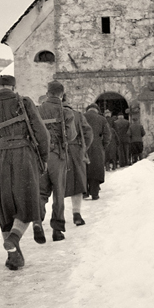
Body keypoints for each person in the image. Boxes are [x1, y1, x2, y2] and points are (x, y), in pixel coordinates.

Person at [0, 74, 49, 271]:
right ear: (13, 88)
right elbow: (41, 133)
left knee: (6, 206)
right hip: (24, 154)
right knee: (27, 201)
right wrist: (43, 157)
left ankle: (14, 257)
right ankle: (14, 236)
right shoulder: (24, 102)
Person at [33, 81, 77, 242]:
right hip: (58, 155)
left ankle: (37, 221)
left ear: (48, 92)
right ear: (61, 94)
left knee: (42, 192)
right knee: (59, 193)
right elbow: (71, 136)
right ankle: (57, 230)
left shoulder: (37, 110)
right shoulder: (66, 112)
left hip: (40, 156)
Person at [63, 95, 93, 226]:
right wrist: (83, 147)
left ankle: (42, 219)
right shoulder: (77, 115)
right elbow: (88, 134)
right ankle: (76, 213)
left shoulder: (45, 112)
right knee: (76, 183)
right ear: (67, 100)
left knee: (51, 185)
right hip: (75, 150)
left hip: (53, 151)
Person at [84, 103, 111, 200]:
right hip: (97, 147)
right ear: (97, 110)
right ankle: (94, 193)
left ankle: (84, 192)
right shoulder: (102, 119)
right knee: (95, 168)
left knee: (84, 168)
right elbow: (107, 135)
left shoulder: (81, 117)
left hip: (83, 147)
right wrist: (103, 145)